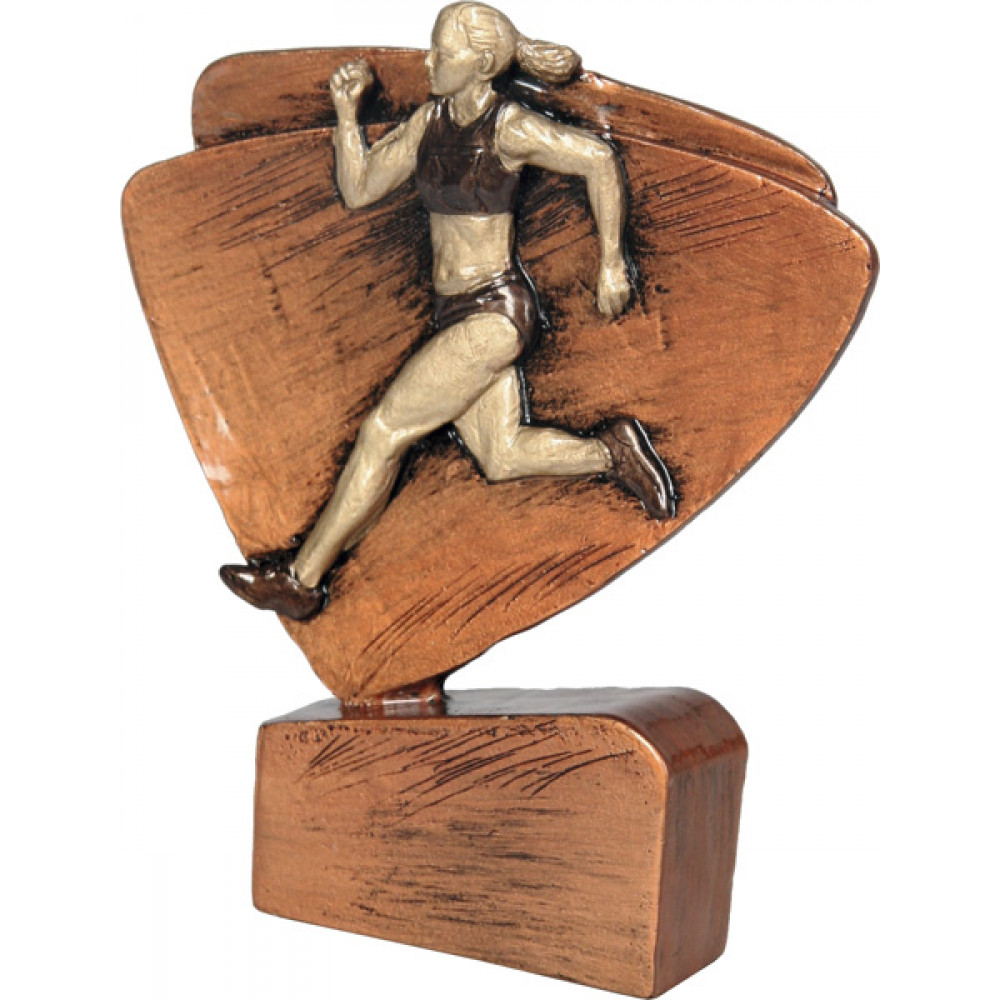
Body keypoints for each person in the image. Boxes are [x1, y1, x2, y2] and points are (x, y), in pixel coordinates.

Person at [221, 2, 676, 621]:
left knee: (384, 431)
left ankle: (302, 580)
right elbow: (358, 188)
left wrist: (612, 262)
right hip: (454, 313)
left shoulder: (508, 127)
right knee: (501, 455)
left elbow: (598, 158)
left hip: (492, 314)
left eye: (444, 52)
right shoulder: (428, 124)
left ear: (482, 63)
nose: (430, 62)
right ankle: (611, 453)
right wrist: (347, 115)